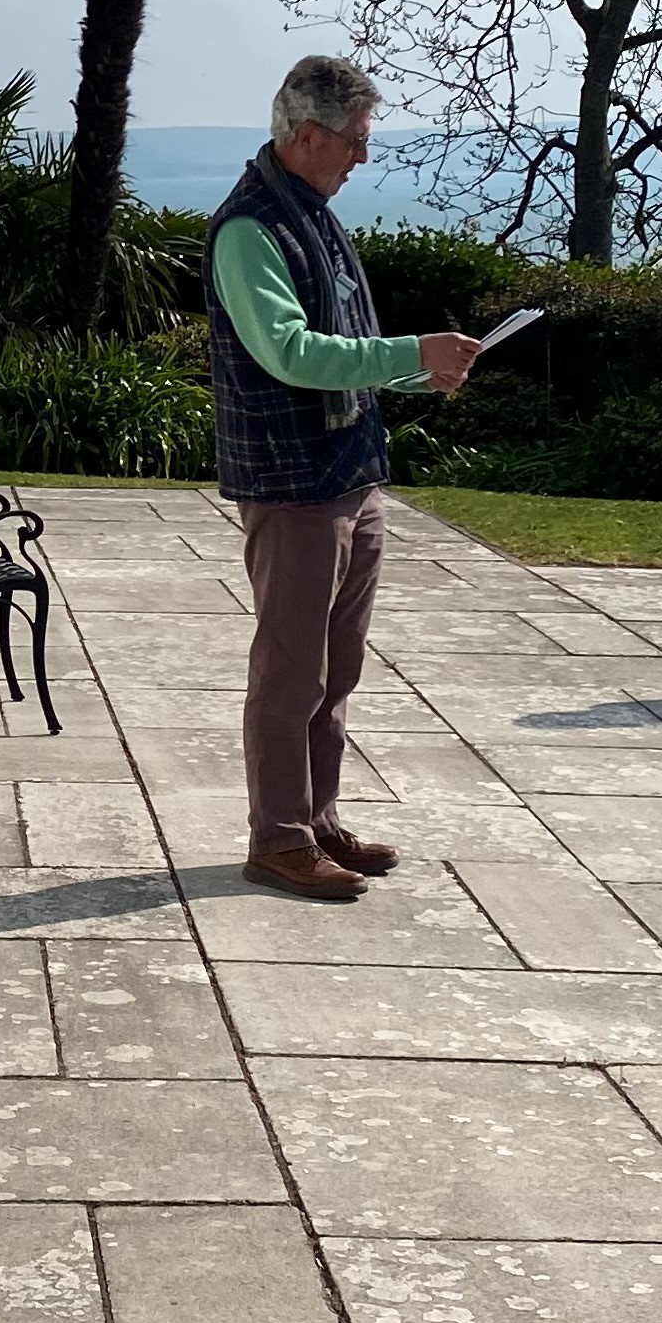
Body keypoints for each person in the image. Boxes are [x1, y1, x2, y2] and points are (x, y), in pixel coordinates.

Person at [204, 56, 480, 899]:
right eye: (356, 140)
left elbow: (342, 350)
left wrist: (411, 372)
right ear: (310, 135)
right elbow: (289, 354)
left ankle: (316, 819)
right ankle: (279, 839)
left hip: (349, 476)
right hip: (294, 485)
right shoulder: (251, 229)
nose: (364, 156)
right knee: (291, 671)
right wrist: (407, 353)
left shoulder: (312, 213)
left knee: (337, 666)